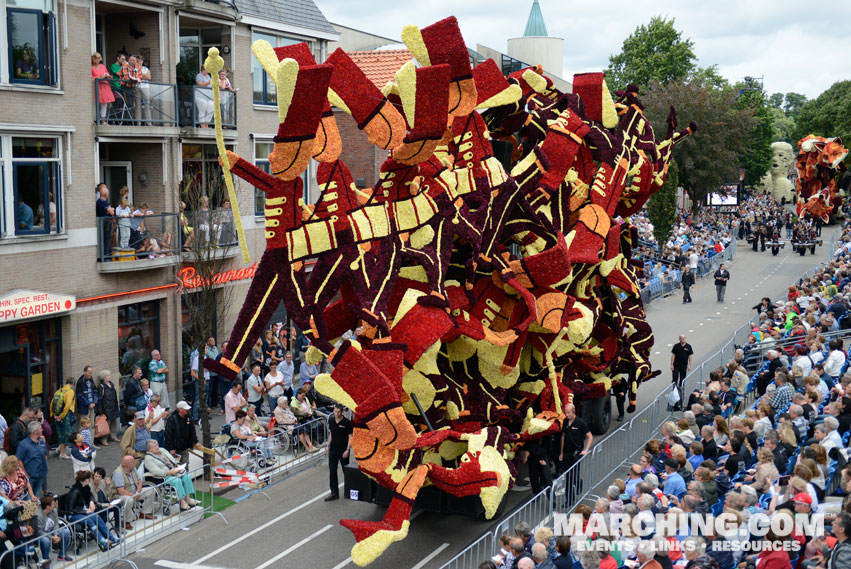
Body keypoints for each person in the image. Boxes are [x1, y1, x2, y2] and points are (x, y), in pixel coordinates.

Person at [66, 470, 121, 551]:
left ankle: (111, 538)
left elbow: (89, 496)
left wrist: (91, 501)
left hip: (82, 511)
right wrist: (85, 511)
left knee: (96, 517)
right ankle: (102, 541)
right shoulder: (75, 491)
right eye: (89, 478)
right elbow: (70, 508)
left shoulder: (86, 487)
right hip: (73, 514)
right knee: (89, 521)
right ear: (86, 479)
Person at [144, 439, 198, 512]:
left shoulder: (162, 450)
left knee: (187, 476)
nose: (157, 447)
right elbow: (156, 471)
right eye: (154, 446)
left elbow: (173, 459)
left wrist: (177, 464)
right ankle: (182, 502)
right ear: (149, 449)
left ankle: (188, 498)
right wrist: (169, 472)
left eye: (157, 445)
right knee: (177, 481)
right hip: (163, 477)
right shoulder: (148, 458)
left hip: (174, 471)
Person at [559, 403, 592, 502]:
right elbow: (563, 437)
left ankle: (578, 483)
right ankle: (569, 499)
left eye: (568, 412)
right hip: (566, 453)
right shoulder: (565, 421)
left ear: (573, 411)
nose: (566, 415)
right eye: (565, 412)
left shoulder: (580, 423)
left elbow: (590, 436)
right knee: (568, 477)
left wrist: (586, 450)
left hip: (577, 453)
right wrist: (561, 453)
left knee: (573, 476)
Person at [112, 455, 153, 528]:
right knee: (129, 500)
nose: (135, 463)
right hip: (123, 495)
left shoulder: (133, 469)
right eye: (133, 462)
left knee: (151, 490)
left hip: (135, 492)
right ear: (128, 465)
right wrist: (133, 495)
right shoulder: (118, 473)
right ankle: (127, 521)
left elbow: (140, 482)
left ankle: (144, 513)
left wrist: (137, 492)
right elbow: (121, 491)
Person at [325, 404, 353, 501]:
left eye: (338, 412)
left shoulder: (347, 422)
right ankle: (334, 493)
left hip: (343, 450)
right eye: (335, 411)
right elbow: (331, 434)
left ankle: (349, 490)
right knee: (332, 471)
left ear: (341, 412)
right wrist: (328, 446)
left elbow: (350, 437)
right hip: (333, 449)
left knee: (346, 471)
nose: (336, 413)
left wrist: (348, 450)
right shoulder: (332, 420)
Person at [35, 494, 73, 563]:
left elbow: (56, 523)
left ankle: (62, 555)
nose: (55, 505)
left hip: (51, 531)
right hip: (40, 535)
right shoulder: (38, 516)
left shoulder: (54, 510)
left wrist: (55, 534)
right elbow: (40, 532)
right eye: (52, 504)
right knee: (46, 540)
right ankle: (46, 561)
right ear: (47, 506)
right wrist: (52, 538)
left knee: (66, 532)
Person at [15, 421, 47, 496]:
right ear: (35, 432)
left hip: (41, 474)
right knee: (29, 497)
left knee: (36, 495)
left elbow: (45, 453)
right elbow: (18, 459)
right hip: (30, 476)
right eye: (40, 428)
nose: (42, 429)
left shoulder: (41, 441)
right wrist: (25, 474)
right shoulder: (23, 445)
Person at [52, 378, 76, 459]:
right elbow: (67, 406)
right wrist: (61, 416)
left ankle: (59, 448)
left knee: (60, 433)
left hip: (57, 414)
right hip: (66, 415)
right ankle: (62, 453)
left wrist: (54, 415)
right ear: (73, 384)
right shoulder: (70, 391)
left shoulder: (59, 390)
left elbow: (52, 403)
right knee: (66, 434)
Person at [95, 369, 121, 445]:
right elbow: (100, 399)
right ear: (104, 377)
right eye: (107, 376)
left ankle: (113, 436)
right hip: (106, 408)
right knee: (106, 424)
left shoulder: (111, 384)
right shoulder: (101, 387)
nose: (109, 377)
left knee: (113, 422)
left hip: (113, 407)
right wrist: (100, 411)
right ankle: (104, 439)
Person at [671, 335, 694, 411]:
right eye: (681, 338)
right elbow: (673, 355)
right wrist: (672, 364)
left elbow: (690, 356)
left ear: (685, 339)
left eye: (683, 338)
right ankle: (674, 390)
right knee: (675, 378)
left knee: (682, 380)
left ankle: (681, 392)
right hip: (676, 365)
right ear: (679, 339)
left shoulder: (688, 346)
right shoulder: (676, 346)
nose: (682, 339)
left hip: (683, 366)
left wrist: (689, 365)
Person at [91, 52, 114, 124]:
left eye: (99, 58)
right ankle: (94, 119)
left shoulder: (102, 66)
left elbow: (107, 73)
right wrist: (99, 77)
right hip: (96, 86)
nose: (98, 60)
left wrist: (109, 76)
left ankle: (103, 120)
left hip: (104, 85)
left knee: (105, 103)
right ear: (93, 59)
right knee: (95, 102)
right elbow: (91, 77)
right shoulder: (91, 67)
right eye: (96, 58)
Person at [76, 365, 99, 431]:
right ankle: (83, 441)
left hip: (93, 406)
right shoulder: (80, 382)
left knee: (92, 425)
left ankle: (91, 441)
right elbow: (80, 396)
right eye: (89, 373)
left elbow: (95, 391)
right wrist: (88, 404)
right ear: (84, 373)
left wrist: (94, 402)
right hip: (84, 408)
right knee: (83, 426)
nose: (91, 374)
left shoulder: (91, 380)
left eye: (91, 373)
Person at [95, 184, 115, 258]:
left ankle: (104, 255)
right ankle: (106, 256)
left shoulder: (98, 202)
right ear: (106, 194)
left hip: (102, 223)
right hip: (106, 223)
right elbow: (112, 212)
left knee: (103, 239)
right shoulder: (104, 202)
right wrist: (111, 209)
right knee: (107, 239)